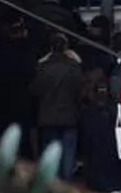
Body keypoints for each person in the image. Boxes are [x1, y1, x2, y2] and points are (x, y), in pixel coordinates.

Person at [30, 32, 85, 181]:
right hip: (69, 116)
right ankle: (66, 185)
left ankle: (53, 185)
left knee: (51, 153)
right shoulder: (74, 67)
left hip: (47, 116)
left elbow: (35, 91)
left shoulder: (42, 67)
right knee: (68, 153)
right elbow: (80, 92)